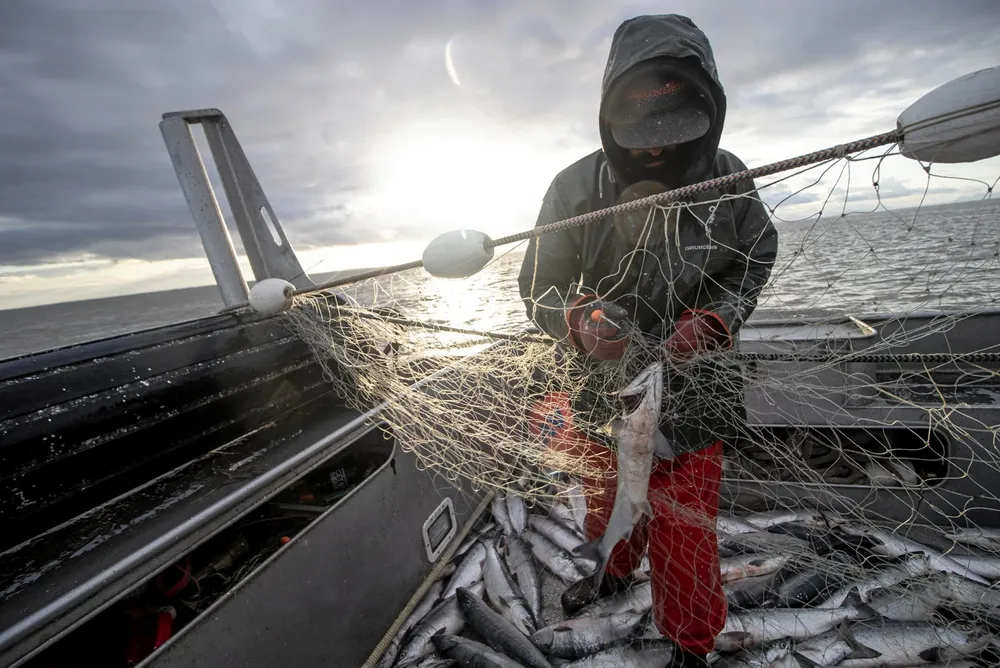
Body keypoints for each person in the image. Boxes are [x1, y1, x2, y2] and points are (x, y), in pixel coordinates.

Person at [518, 14, 778, 668]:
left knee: (685, 529)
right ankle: (614, 568)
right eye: (641, 132)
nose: (657, 150)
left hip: (697, 390)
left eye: (674, 130)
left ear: (707, 110)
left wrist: (714, 318)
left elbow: (755, 258)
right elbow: (538, 286)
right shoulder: (573, 188)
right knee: (608, 498)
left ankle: (690, 644)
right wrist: (578, 323)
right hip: (602, 389)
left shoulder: (729, 177)